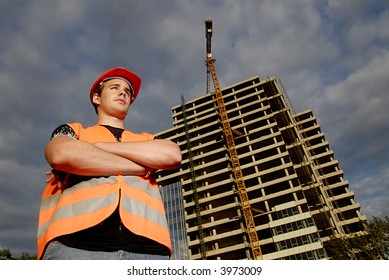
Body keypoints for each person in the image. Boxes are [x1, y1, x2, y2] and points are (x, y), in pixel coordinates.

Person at [37, 67, 182, 260]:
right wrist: (139, 167)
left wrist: (97, 147)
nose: (123, 92)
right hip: (76, 244)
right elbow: (60, 153)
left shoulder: (147, 139)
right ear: (97, 98)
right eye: (114, 87)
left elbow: (172, 155)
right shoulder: (74, 130)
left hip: (149, 249)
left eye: (127, 91)